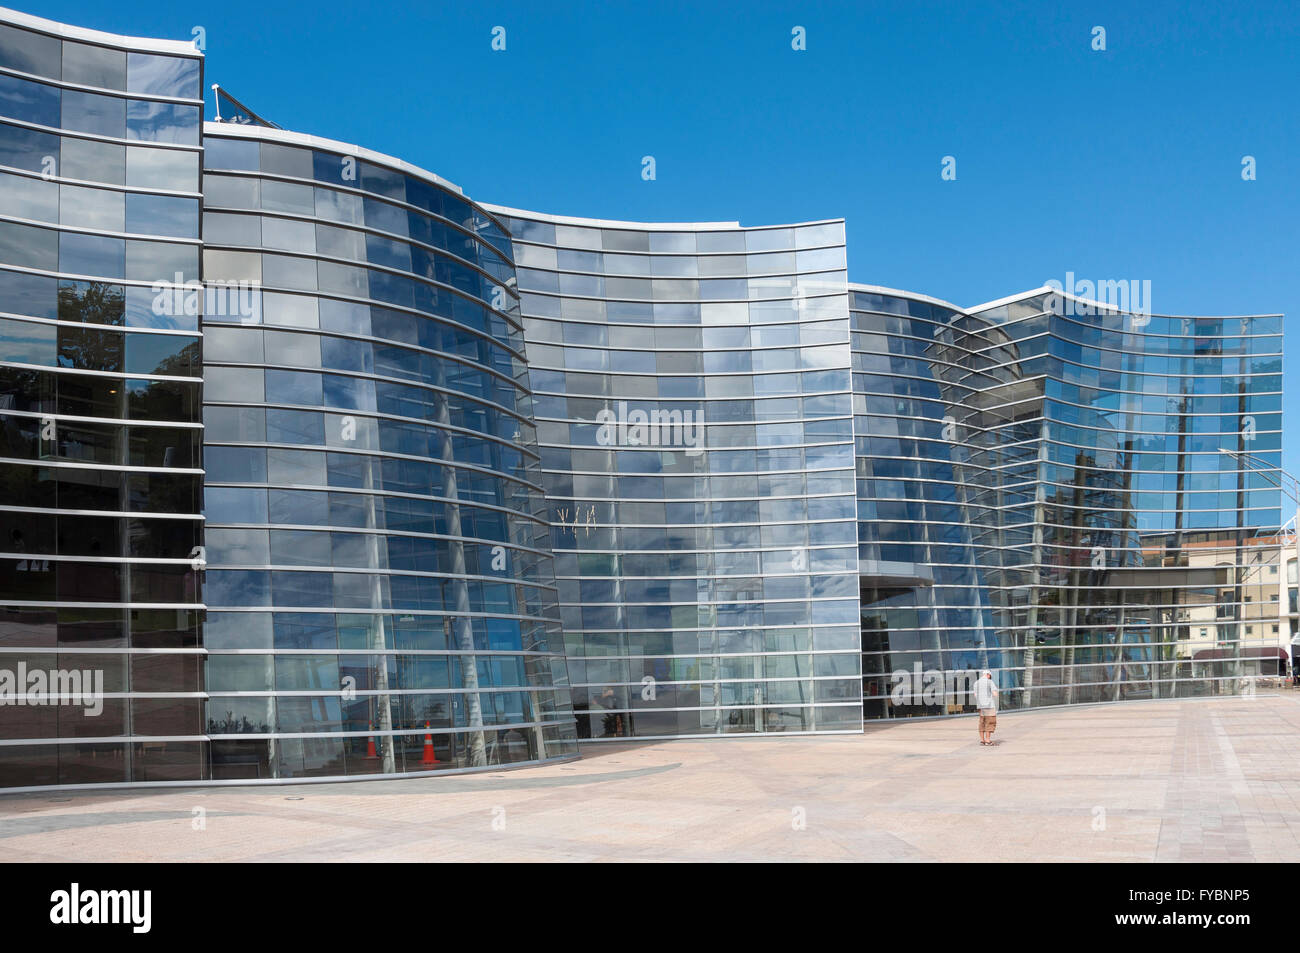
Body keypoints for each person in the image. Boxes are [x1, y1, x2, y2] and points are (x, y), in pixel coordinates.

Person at [973, 669, 999, 746]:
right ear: (988, 675)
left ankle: (982, 740)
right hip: (989, 706)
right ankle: (988, 740)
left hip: (980, 706)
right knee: (989, 722)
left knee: (982, 722)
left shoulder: (976, 683)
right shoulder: (990, 682)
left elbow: (975, 695)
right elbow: (995, 694)